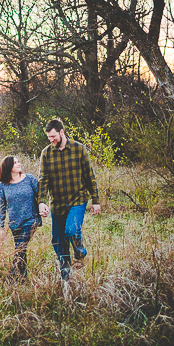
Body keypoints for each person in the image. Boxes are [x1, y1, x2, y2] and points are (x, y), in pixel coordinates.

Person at [36, 118, 100, 281]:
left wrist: (96, 200)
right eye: (48, 137)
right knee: (57, 241)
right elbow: (43, 179)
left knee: (71, 230)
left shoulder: (79, 149)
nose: (51, 140)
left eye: (53, 136)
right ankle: (65, 273)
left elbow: (89, 176)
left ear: (62, 132)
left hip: (77, 200)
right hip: (57, 204)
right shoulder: (46, 153)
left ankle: (80, 253)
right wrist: (41, 201)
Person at [0, 155, 42, 280]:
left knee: (20, 247)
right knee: (21, 249)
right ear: (8, 167)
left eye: (18, 161)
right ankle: (23, 277)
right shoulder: (3, 185)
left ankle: (12, 275)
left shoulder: (30, 179)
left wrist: (43, 206)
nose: (18, 164)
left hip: (31, 219)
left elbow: (41, 196)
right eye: (15, 162)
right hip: (15, 223)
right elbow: (1, 207)